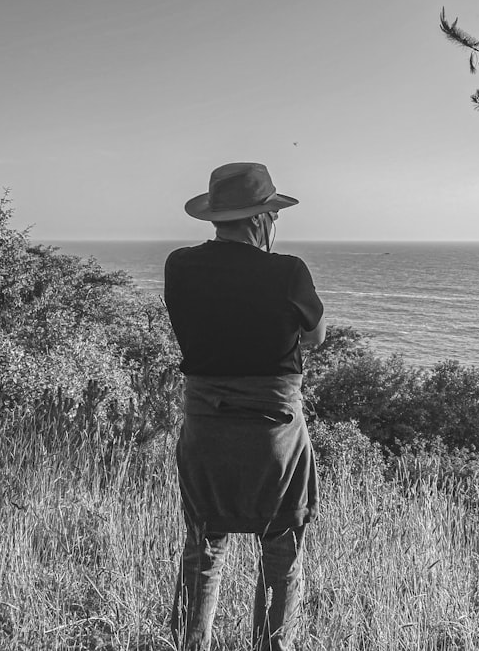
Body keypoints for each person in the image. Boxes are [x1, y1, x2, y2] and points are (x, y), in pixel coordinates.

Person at [164, 162, 326, 651]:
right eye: (273, 215)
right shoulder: (288, 271)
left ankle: (190, 645)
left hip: (206, 426)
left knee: (203, 543)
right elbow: (315, 336)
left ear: (217, 215)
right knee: (281, 546)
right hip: (273, 431)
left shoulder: (179, 265)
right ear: (260, 219)